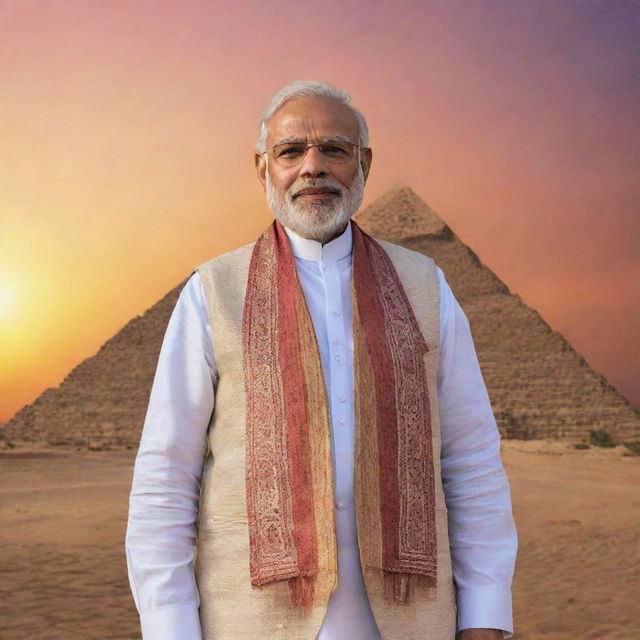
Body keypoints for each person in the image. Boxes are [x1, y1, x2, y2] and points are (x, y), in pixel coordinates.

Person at [125, 80, 518, 640]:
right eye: (291, 152)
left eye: (334, 149)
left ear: (365, 164)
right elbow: (166, 474)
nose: (313, 167)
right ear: (263, 169)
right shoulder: (213, 292)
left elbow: (471, 461)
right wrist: (168, 626)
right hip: (253, 623)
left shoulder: (425, 287)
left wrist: (486, 613)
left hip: (408, 622)